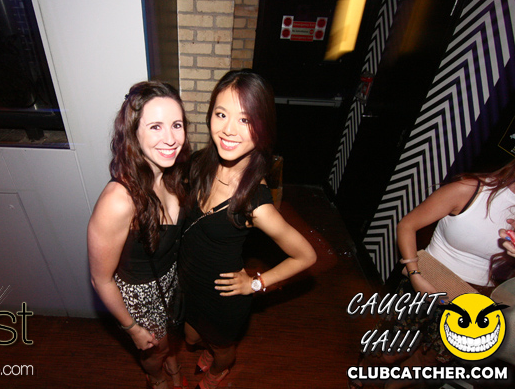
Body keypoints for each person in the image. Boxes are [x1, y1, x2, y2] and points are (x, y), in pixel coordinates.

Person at [178, 69, 317, 389]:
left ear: (263, 127)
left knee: (221, 349)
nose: (229, 129)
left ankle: (218, 370)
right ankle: (209, 351)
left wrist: (256, 283)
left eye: (245, 120)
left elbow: (306, 256)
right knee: (190, 338)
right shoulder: (199, 162)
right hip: (189, 281)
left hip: (222, 295)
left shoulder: (255, 203)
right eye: (221, 114)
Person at [353, 159, 515, 389]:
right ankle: (364, 373)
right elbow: (407, 225)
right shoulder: (470, 190)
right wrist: (415, 275)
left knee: (430, 360)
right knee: (391, 352)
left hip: (474, 298)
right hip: (427, 280)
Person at [87, 81, 191, 389]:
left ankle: (172, 363)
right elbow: (101, 280)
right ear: (133, 134)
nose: (170, 138)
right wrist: (131, 328)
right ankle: (157, 378)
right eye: (156, 126)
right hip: (140, 297)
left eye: (176, 125)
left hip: (169, 280)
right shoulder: (118, 201)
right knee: (153, 351)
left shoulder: (172, 174)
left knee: (170, 338)